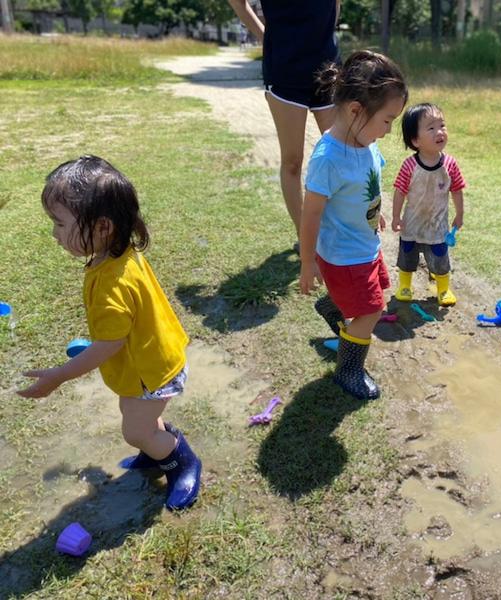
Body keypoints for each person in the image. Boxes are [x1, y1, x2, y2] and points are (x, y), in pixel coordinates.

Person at [17, 156, 201, 511]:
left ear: (102, 227)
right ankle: (154, 448)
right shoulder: (117, 252)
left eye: (59, 223)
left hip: (152, 371)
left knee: (134, 430)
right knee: (134, 414)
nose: (54, 233)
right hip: (151, 359)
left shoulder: (110, 284)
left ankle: (182, 461)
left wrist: (58, 376)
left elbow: (109, 343)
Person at [299, 51, 408, 400]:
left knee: (374, 299)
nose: (389, 131)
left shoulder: (365, 143)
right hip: (344, 255)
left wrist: (377, 211)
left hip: (365, 244)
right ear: (356, 110)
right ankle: (349, 370)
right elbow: (311, 214)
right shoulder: (329, 158)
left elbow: (368, 185)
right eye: (387, 121)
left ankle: (334, 307)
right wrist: (307, 262)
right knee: (371, 311)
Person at [227, 0, 341, 250]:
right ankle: (306, 237)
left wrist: (323, 37)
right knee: (292, 161)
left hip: (328, 68)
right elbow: (238, 3)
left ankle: (340, 232)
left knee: (341, 156)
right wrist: (267, 38)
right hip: (284, 69)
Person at [391, 103, 466, 306]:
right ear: (416, 140)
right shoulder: (409, 165)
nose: (439, 131)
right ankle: (405, 286)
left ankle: (443, 289)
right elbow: (399, 191)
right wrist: (396, 216)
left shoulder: (450, 164)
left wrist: (459, 214)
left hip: (437, 224)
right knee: (407, 256)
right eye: (431, 128)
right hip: (412, 223)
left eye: (442, 125)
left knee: (441, 259)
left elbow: (457, 189)